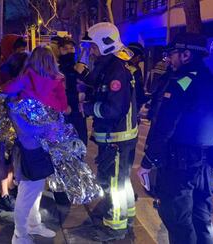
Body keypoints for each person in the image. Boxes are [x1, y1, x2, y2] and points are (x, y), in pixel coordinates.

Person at [137, 33, 213, 244]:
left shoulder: (180, 83)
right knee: (201, 216)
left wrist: (148, 162)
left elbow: (165, 126)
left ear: (186, 55)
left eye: (172, 54)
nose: (169, 59)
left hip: (179, 163)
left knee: (177, 217)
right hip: (206, 164)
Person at [1, 46, 68, 244]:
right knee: (29, 190)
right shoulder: (56, 82)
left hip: (29, 143)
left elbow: (6, 92)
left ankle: (32, 225)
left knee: (34, 187)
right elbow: (63, 107)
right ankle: (20, 235)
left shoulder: (24, 80)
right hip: (39, 143)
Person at [79, 22, 137, 241]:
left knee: (113, 183)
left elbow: (114, 109)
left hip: (116, 138)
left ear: (104, 44)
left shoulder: (116, 71)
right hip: (118, 137)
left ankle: (115, 226)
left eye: (92, 46)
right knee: (121, 181)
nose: (90, 50)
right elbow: (96, 82)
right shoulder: (110, 65)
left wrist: (87, 108)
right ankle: (127, 215)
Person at [0, 35, 27, 211]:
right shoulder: (0, 70)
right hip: (4, 121)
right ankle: (4, 194)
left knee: (12, 158)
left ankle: (10, 188)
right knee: (4, 157)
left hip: (16, 121)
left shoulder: (20, 65)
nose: (21, 50)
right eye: (17, 48)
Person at [58, 37, 89, 144]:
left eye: (72, 48)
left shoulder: (80, 67)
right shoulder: (57, 69)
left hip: (79, 112)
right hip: (64, 113)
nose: (70, 51)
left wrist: (83, 74)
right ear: (60, 50)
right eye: (66, 49)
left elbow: (90, 86)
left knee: (81, 143)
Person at [127, 42, 149, 113]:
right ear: (137, 57)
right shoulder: (134, 71)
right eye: (139, 59)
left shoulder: (121, 67)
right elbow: (138, 91)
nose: (139, 61)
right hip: (131, 107)